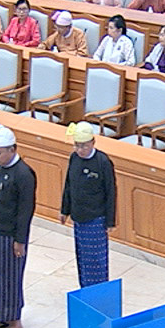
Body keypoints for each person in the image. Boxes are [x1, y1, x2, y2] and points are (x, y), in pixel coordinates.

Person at [0, 125, 35, 328]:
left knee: (10, 278)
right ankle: (1, 314)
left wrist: (20, 240)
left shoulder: (23, 174)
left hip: (10, 235)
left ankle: (15, 323)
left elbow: (25, 210)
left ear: (12, 149)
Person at [60, 122, 117, 289]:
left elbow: (111, 192)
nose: (80, 150)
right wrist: (64, 210)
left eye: (83, 146)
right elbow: (68, 185)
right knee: (82, 258)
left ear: (93, 142)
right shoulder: (74, 158)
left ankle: (98, 291)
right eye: (77, 145)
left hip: (96, 219)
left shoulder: (103, 161)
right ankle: (84, 288)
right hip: (79, 216)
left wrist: (110, 221)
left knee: (96, 260)